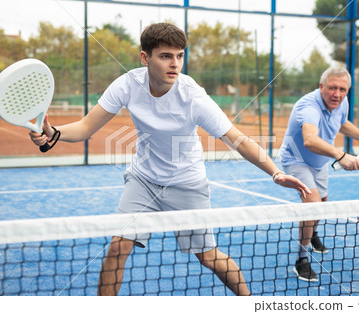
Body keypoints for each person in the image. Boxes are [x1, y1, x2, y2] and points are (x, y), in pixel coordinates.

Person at [29, 22, 311, 296]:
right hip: (143, 180)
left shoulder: (193, 97)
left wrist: (275, 172)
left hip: (187, 184)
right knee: (117, 247)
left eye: (179, 56)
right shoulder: (127, 85)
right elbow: (86, 127)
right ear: (145, 57)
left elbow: (237, 139)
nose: (175, 63)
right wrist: (54, 134)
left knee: (208, 256)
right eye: (165, 56)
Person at [278, 66, 359, 282]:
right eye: (332, 88)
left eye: (343, 89)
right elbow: (310, 140)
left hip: (320, 161)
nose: (337, 94)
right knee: (312, 205)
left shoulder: (341, 101)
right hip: (296, 159)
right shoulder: (308, 106)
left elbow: (343, 124)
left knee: (322, 204)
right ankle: (301, 260)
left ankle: (312, 234)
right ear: (321, 86)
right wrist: (341, 155)